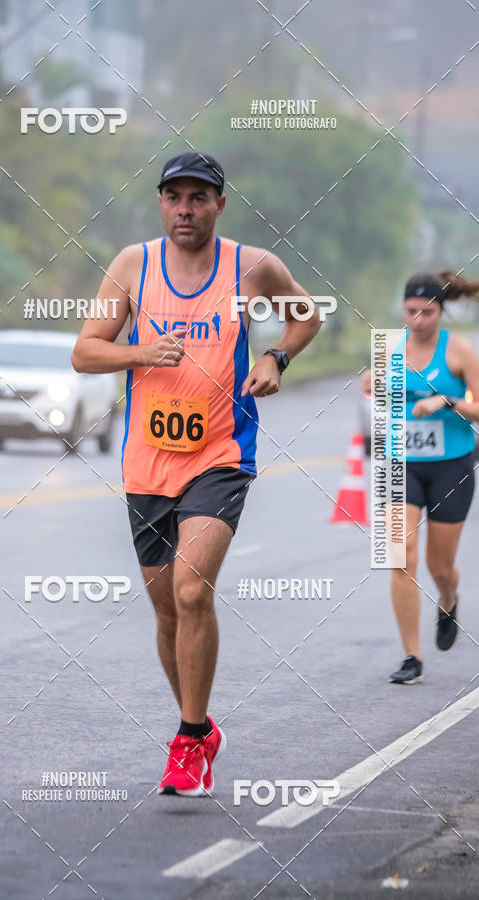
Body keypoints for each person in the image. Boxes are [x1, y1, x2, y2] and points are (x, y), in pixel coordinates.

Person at [72, 151, 321, 795]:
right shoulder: (134, 266)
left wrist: (275, 357)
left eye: (198, 198)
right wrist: (140, 352)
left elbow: (307, 314)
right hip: (147, 462)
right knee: (166, 612)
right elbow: (85, 352)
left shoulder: (252, 266)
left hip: (220, 453)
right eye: (174, 197)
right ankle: (202, 725)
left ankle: (186, 742)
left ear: (219, 204)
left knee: (190, 592)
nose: (185, 209)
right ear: (161, 203)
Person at [363, 272, 479, 684]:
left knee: (439, 566)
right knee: (401, 554)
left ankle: (448, 598)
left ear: (440, 312)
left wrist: (446, 400)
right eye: (411, 311)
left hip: (451, 466)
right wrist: (371, 383)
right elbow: (374, 391)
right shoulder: (389, 347)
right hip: (400, 464)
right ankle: (411, 656)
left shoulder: (459, 350)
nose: (418, 320)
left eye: (427, 312)